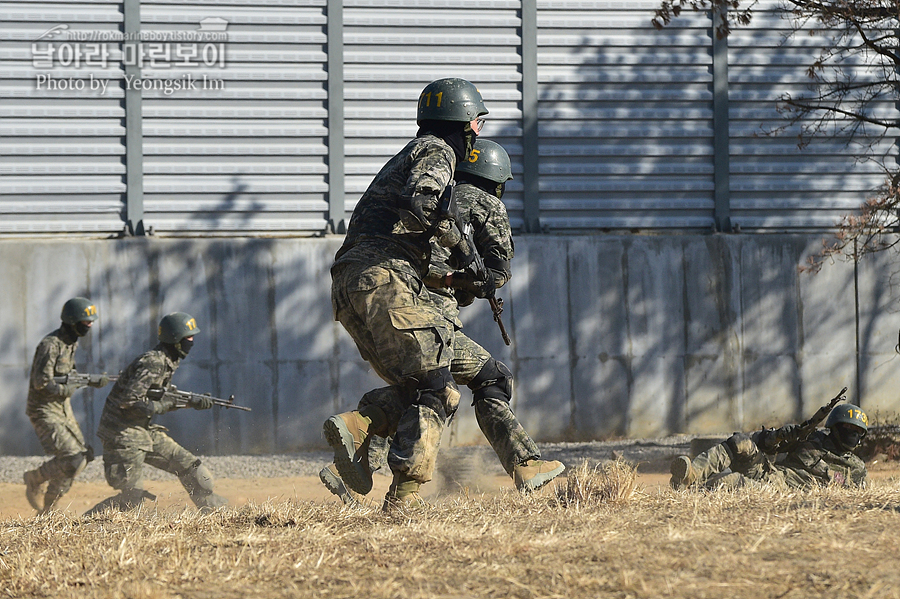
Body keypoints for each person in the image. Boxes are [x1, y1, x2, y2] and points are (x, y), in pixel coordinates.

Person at [320, 140, 564, 504]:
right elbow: (497, 271)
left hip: (384, 294)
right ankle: (523, 464)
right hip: (433, 314)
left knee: (422, 385)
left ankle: (359, 450)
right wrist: (477, 282)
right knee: (484, 378)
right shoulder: (487, 203)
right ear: (497, 180)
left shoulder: (437, 196)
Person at [324, 77, 489, 510]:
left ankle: (364, 430)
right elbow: (424, 204)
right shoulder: (438, 151)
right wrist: (465, 248)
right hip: (383, 277)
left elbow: (415, 227)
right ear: (464, 122)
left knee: (433, 387)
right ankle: (402, 495)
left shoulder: (410, 154)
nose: (478, 133)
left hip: (354, 283)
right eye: (477, 122)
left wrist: (464, 274)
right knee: (435, 384)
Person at [87, 312, 227, 514]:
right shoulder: (153, 362)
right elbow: (130, 400)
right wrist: (165, 405)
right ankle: (82, 526)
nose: (192, 341)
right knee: (131, 501)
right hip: (122, 434)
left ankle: (215, 515)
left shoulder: (168, 361)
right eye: (188, 337)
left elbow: (157, 398)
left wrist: (191, 403)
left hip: (143, 429)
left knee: (195, 472)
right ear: (175, 338)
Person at [24, 297, 110, 513]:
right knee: (72, 457)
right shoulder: (50, 345)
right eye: (85, 322)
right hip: (43, 410)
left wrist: (90, 381)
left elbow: (68, 376)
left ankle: (48, 511)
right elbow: (40, 382)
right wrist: (69, 388)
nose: (89, 326)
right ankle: (35, 478)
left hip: (62, 409)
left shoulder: (70, 343)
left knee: (82, 457)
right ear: (72, 321)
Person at [670, 402, 869, 490]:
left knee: (731, 481)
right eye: (847, 427)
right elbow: (761, 443)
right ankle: (691, 475)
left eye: (858, 431)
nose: (853, 433)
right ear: (834, 427)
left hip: (779, 488)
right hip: (767, 471)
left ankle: (694, 494)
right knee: (740, 442)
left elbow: (860, 495)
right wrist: (780, 436)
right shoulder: (812, 439)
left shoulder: (857, 468)